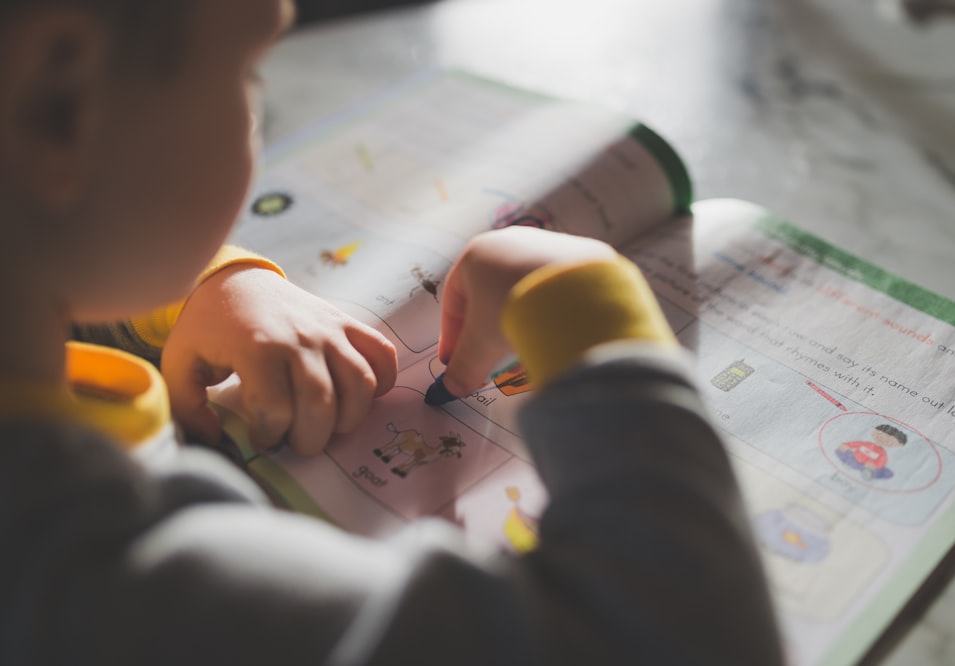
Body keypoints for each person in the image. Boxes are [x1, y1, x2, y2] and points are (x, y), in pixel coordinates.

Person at [0, 1, 784, 664]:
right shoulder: (114, 586)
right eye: (246, 74)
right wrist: (595, 326)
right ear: (64, 108)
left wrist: (211, 282)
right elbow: (683, 639)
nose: (255, 107)